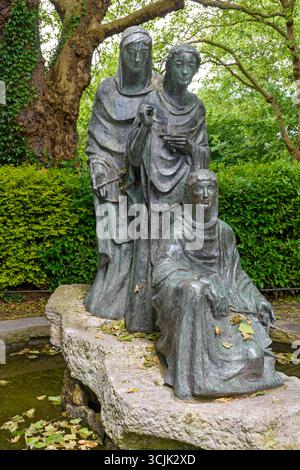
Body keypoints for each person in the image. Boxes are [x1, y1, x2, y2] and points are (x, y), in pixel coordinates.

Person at [152, 169, 284, 399]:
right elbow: (165, 266)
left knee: (254, 355)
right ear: (189, 194)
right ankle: (196, 380)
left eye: (210, 188)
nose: (205, 194)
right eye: (198, 189)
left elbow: (237, 275)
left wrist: (258, 300)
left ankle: (219, 378)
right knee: (194, 291)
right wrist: (199, 281)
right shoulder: (178, 228)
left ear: (216, 193)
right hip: (198, 306)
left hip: (228, 305)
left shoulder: (224, 232)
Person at [125, 44, 210, 332]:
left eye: (191, 66)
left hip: (183, 187)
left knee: (180, 248)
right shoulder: (152, 100)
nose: (185, 71)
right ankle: (144, 318)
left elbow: (205, 153)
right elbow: (133, 155)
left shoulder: (197, 107)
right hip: (153, 187)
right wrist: (144, 127)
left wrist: (191, 148)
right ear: (168, 66)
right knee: (151, 245)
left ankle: (178, 321)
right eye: (179, 65)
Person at [85, 27, 157, 319]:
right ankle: (111, 293)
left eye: (144, 51)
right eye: (132, 51)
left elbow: (165, 136)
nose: (138, 58)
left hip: (148, 173)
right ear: (122, 54)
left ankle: (145, 300)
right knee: (117, 237)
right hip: (113, 170)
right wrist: (99, 167)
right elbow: (96, 139)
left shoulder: (159, 90)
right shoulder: (106, 89)